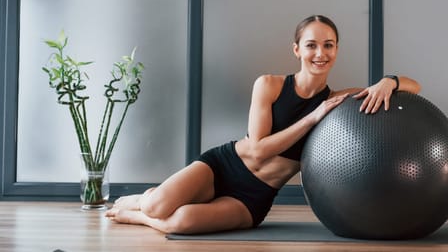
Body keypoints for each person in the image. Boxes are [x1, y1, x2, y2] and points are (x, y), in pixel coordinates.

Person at [105, 15, 421, 234]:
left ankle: (137, 217)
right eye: (311, 45)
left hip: (254, 197)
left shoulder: (338, 100)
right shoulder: (269, 85)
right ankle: (145, 199)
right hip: (224, 165)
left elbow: (415, 87)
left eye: (328, 45)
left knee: (181, 223)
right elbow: (257, 152)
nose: (320, 53)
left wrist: (387, 82)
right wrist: (313, 117)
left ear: (336, 50)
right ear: (297, 50)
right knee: (160, 206)